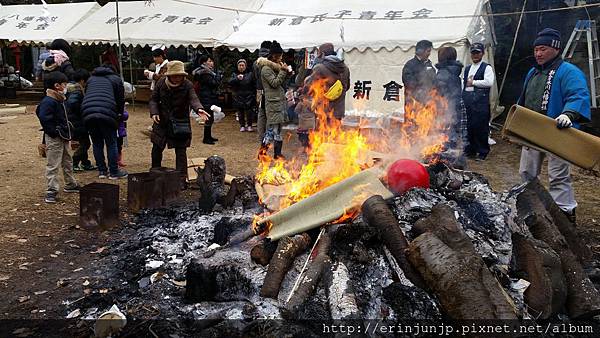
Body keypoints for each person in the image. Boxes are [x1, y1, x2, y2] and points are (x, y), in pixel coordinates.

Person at [518, 28, 591, 223]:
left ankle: (565, 213)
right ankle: (530, 208)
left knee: (558, 174)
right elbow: (524, 101)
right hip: (532, 130)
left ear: (555, 49)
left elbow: (578, 95)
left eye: (543, 49)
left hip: (558, 130)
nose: (538, 53)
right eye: (536, 50)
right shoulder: (532, 72)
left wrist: (568, 114)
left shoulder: (569, 71)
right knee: (527, 172)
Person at [150, 61, 209, 187]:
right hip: (162, 121)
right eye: (175, 75)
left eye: (180, 76)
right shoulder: (161, 83)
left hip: (180, 121)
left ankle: (181, 179)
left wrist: (199, 109)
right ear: (169, 75)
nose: (177, 78)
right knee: (157, 147)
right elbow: (154, 99)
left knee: (181, 151)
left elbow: (193, 98)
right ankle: (155, 174)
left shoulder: (187, 85)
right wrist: (154, 112)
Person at [37, 71, 79, 203]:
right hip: (55, 137)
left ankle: (70, 183)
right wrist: (54, 131)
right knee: (53, 164)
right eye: (64, 84)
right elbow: (43, 117)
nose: (66, 86)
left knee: (67, 160)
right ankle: (51, 190)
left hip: (63, 135)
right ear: (57, 85)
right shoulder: (49, 101)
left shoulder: (59, 100)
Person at [81, 63, 128, 180]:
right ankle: (114, 171)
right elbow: (120, 100)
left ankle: (102, 171)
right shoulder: (116, 79)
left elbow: (87, 95)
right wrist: (120, 115)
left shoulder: (91, 79)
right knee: (111, 142)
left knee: (97, 143)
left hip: (88, 112)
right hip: (107, 112)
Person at [258, 40, 293, 159]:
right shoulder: (266, 69)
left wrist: (288, 74)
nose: (281, 58)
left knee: (278, 129)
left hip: (279, 101)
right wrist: (283, 71)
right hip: (273, 103)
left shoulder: (276, 68)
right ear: (274, 55)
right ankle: (262, 153)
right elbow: (274, 83)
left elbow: (281, 83)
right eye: (280, 55)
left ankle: (277, 154)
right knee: (272, 129)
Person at [434, 46, 468, 170]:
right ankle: (459, 166)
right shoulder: (456, 71)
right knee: (458, 140)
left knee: (445, 142)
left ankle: (446, 169)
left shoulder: (442, 74)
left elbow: (439, 97)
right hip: (458, 107)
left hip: (446, 111)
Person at [463, 42, 495, 161]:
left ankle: (483, 151)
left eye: (478, 52)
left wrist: (474, 82)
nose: (475, 55)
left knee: (481, 127)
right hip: (469, 101)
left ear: (482, 53)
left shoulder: (486, 67)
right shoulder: (467, 68)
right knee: (470, 126)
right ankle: (470, 150)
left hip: (481, 102)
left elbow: (489, 82)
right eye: (473, 53)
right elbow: (465, 84)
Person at [305, 42, 351, 121]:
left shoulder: (319, 68)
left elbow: (309, 86)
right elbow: (347, 87)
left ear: (322, 54)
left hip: (323, 111)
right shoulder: (345, 68)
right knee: (336, 133)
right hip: (339, 111)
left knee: (322, 133)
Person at [66, 68, 96, 172]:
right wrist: (82, 110)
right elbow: (73, 103)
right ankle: (74, 162)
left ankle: (85, 163)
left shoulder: (71, 88)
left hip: (75, 120)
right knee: (85, 143)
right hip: (77, 121)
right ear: (83, 80)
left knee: (84, 141)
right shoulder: (77, 91)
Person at [193, 55, 220, 144]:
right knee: (208, 117)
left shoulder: (204, 72)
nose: (212, 63)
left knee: (210, 117)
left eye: (212, 61)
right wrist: (218, 77)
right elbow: (213, 84)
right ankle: (206, 138)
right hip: (206, 97)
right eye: (209, 61)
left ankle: (208, 136)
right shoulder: (205, 73)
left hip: (207, 97)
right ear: (204, 62)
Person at [402, 39, 436, 107]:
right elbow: (409, 83)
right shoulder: (410, 65)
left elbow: (434, 79)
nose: (429, 54)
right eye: (428, 51)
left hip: (428, 102)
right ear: (420, 51)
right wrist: (422, 95)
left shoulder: (428, 64)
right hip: (414, 103)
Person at [229, 59, 256, 132]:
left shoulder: (250, 74)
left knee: (249, 112)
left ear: (245, 66)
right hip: (238, 96)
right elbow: (230, 82)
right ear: (237, 66)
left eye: (243, 65)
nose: (241, 67)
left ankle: (249, 125)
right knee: (240, 112)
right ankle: (242, 125)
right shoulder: (234, 74)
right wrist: (237, 79)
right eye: (240, 65)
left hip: (249, 95)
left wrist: (254, 94)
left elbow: (254, 84)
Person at [253, 41, 272, 142]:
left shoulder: (256, 62)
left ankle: (261, 136)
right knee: (269, 114)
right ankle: (268, 137)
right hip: (269, 92)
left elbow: (255, 77)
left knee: (261, 113)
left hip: (259, 90)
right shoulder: (269, 61)